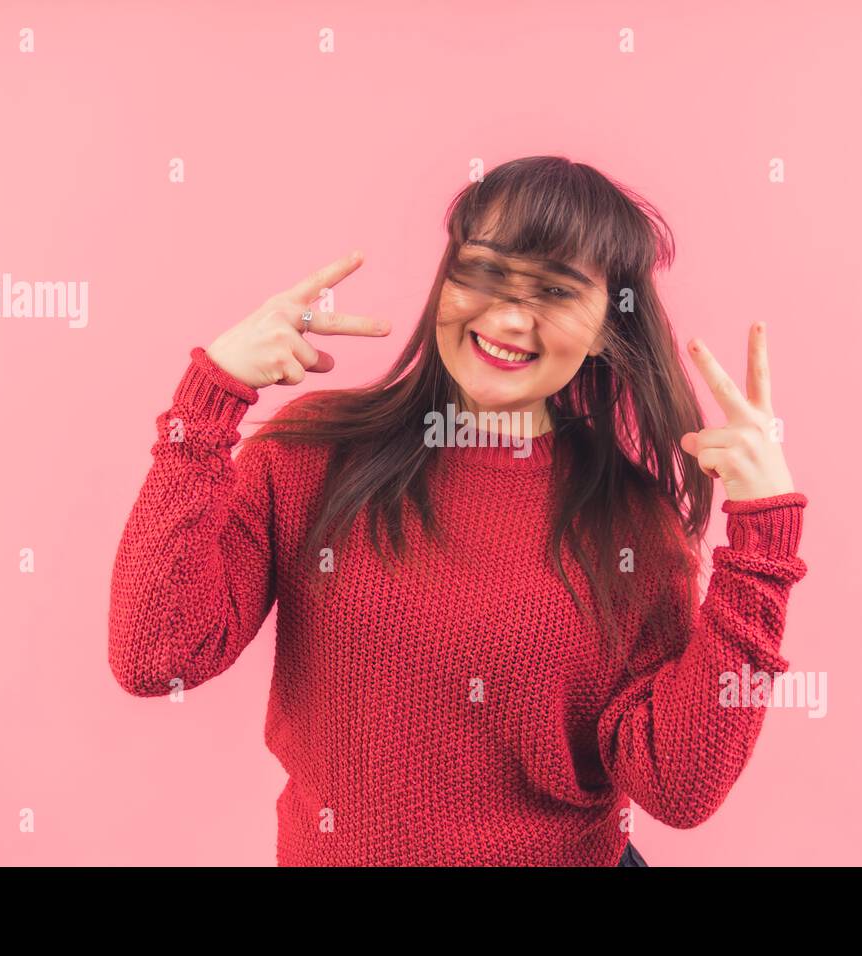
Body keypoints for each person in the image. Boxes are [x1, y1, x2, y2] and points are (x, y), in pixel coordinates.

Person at [107, 156, 809, 866]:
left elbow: (679, 788)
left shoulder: (633, 526)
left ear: (606, 329)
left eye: (556, 294)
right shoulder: (312, 455)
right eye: (485, 272)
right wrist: (208, 400)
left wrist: (763, 555)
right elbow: (154, 657)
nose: (507, 317)